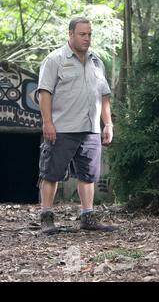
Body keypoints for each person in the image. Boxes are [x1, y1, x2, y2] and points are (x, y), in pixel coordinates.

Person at [37, 17, 116, 234]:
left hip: (90, 128)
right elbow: (44, 93)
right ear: (70, 34)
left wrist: (107, 123)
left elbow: (104, 95)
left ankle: (87, 216)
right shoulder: (55, 60)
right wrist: (48, 122)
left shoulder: (96, 61)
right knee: (51, 172)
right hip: (62, 127)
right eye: (83, 34)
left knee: (88, 174)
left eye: (89, 34)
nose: (87, 38)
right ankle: (46, 217)